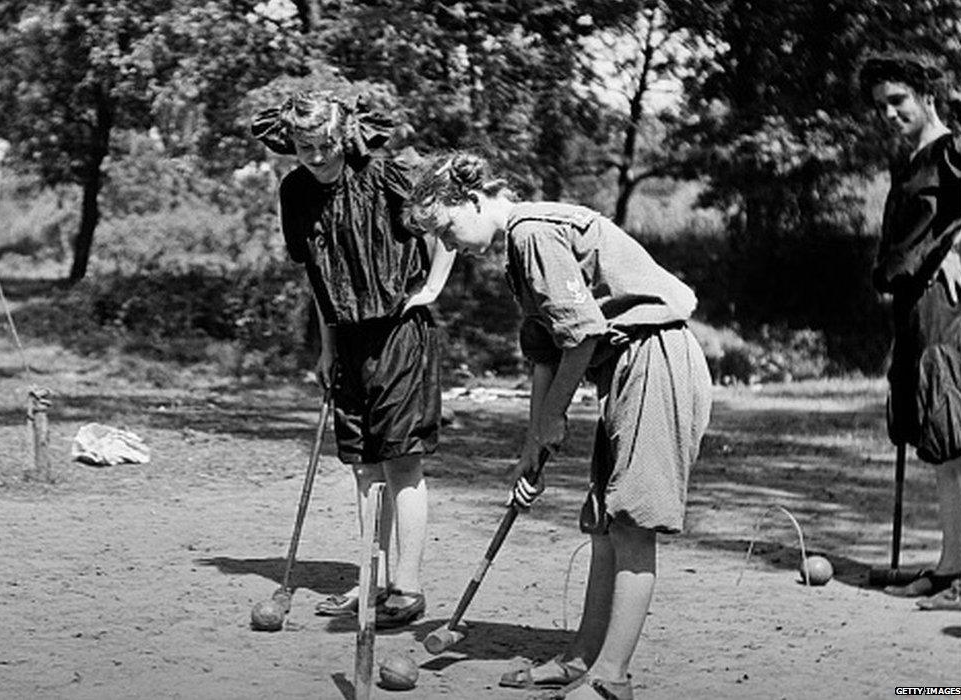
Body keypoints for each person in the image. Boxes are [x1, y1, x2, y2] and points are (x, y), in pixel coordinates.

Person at [404, 154, 712, 700]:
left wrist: (554, 419)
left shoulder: (532, 232)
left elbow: (584, 335)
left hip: (656, 356)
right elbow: (546, 356)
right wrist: (532, 444)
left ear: (472, 201)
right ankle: (581, 659)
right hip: (626, 367)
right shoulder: (518, 255)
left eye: (447, 229)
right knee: (603, 522)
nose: (448, 247)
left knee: (632, 523)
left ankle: (610, 677)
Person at [252, 89, 456, 627]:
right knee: (364, 467)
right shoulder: (295, 190)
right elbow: (318, 277)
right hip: (346, 341)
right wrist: (325, 346)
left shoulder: (387, 174)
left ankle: (406, 590)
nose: (314, 157)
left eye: (322, 145)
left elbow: (449, 225)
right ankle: (371, 582)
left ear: (342, 136)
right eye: (303, 147)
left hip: (399, 334)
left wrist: (432, 287)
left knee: (401, 460)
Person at [858, 53, 961, 612]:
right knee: (943, 444)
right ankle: (953, 569)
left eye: (897, 101)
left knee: (958, 440)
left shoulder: (952, 150)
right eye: (880, 106)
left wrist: (957, 245)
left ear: (927, 95)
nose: (888, 113)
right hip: (915, 308)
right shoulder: (913, 160)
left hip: (948, 312)